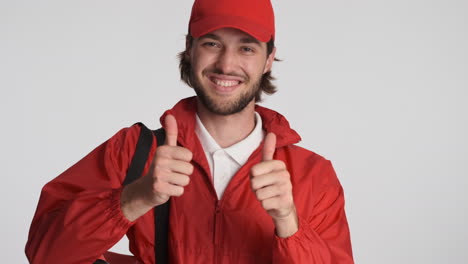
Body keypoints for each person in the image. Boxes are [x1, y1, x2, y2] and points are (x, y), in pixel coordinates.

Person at [26, 0, 354, 263]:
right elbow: (44, 253)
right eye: (212, 43)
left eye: (247, 48)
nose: (226, 65)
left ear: (269, 58)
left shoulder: (313, 175)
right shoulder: (133, 150)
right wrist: (134, 198)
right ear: (190, 49)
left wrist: (289, 223)